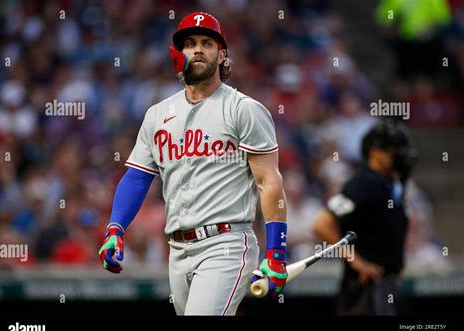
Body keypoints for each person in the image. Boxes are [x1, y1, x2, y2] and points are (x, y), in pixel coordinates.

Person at [98, 12, 288, 315]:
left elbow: (268, 181)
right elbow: (137, 178)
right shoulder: (157, 114)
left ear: (222, 54)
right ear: (178, 53)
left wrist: (276, 250)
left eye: (207, 43)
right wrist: (115, 228)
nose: (197, 49)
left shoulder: (244, 109)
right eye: (189, 43)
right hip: (176, 251)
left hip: (226, 244)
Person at [313, 121, 416, 315]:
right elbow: (322, 224)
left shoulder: (389, 184)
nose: (401, 155)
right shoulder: (362, 183)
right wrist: (356, 261)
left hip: (385, 286)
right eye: (396, 149)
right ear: (376, 152)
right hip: (364, 291)